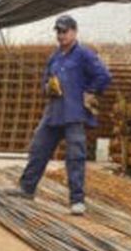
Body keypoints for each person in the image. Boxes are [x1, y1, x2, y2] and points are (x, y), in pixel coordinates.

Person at [7, 15, 112, 215]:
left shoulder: (84, 54)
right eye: (58, 31)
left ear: (74, 32)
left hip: (74, 114)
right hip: (54, 113)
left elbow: (104, 76)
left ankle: (77, 200)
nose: (61, 35)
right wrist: (49, 87)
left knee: (75, 157)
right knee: (38, 149)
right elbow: (45, 80)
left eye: (64, 31)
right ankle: (26, 189)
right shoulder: (54, 57)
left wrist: (90, 91)